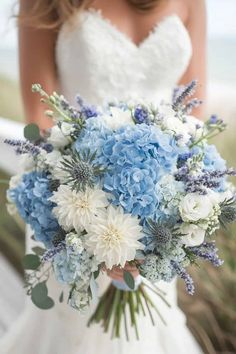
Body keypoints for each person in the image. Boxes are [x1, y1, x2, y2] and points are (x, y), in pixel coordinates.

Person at [0, 0, 206, 352]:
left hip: (160, 213)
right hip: (71, 204)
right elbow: (41, 119)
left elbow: (193, 110)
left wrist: (166, 216)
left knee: (150, 327)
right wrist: (94, 230)